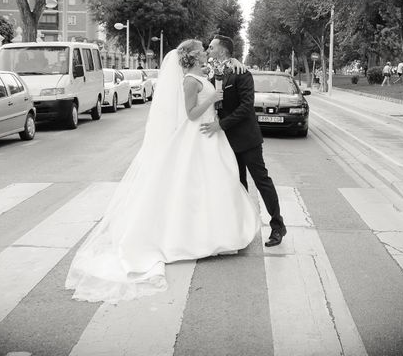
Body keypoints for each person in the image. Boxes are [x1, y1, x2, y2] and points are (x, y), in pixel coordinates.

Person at [65, 39, 260, 303]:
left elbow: (226, 69)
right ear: (191, 56)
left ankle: (221, 233)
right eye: (202, 51)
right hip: (198, 135)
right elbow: (191, 114)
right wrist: (212, 99)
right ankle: (197, 238)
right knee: (196, 186)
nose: (206, 52)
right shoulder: (190, 81)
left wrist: (236, 63)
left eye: (208, 50)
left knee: (217, 184)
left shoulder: (202, 73)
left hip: (210, 137)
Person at [201, 35, 287, 247]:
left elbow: (246, 107)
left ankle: (278, 226)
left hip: (247, 138)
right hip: (225, 141)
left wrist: (221, 124)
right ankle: (242, 227)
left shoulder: (242, 73)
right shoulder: (210, 73)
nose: (208, 50)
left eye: (211, 47)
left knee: (261, 181)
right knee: (237, 184)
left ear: (222, 51)